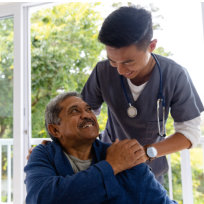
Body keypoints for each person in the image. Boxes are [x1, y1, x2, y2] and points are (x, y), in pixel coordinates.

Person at [81, 6, 204, 182]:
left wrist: (147, 153)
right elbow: (82, 116)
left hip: (151, 172)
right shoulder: (103, 72)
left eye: (128, 61)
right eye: (113, 61)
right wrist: (58, 147)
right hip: (109, 168)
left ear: (151, 46)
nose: (120, 70)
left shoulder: (175, 75)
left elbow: (189, 134)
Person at [24, 92, 177, 204]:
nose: (86, 115)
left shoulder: (123, 155)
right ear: (55, 130)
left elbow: (160, 201)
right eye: (75, 111)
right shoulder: (43, 154)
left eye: (89, 109)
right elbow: (41, 199)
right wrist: (111, 166)